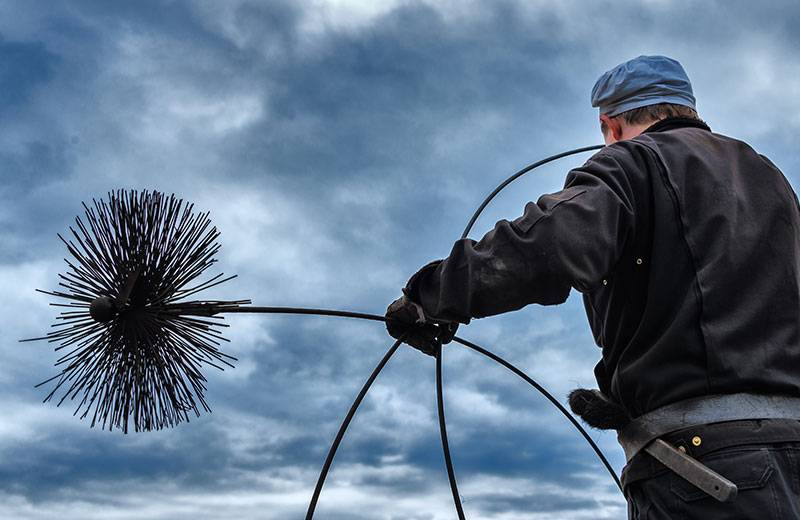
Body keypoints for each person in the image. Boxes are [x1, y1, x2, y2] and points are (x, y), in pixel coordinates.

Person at [385, 55, 800, 518]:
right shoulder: (772, 179)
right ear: (686, 108)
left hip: (706, 471)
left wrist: (428, 297)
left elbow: (551, 242)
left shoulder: (632, 162)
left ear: (611, 125)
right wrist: (622, 403)